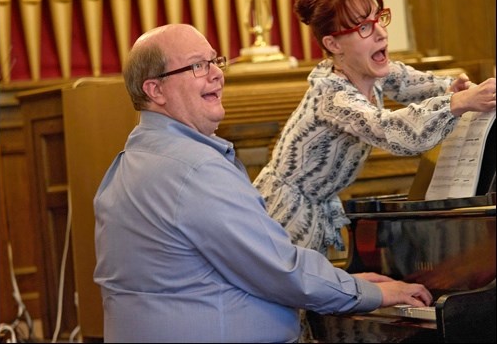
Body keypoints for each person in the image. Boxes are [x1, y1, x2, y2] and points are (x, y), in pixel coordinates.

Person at [93, 23, 433, 343]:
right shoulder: (194, 169)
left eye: (215, 61)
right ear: (155, 90)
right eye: (197, 66)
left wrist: (345, 282)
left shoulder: (126, 164)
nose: (216, 75)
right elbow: (279, 270)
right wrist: (372, 293)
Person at [253, 0, 496, 255]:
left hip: (313, 206)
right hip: (284, 216)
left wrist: (458, 88)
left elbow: (414, 82)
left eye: (379, 18)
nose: (381, 33)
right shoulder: (333, 96)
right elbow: (392, 130)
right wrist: (457, 102)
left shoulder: (367, 71)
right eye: (364, 27)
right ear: (333, 44)